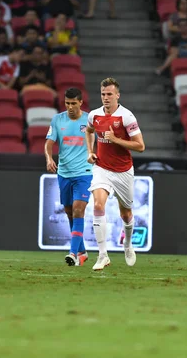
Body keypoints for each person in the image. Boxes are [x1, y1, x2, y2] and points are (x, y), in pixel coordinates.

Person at [85, 77, 146, 271]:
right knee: (97, 205)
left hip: (123, 171)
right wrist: (90, 151)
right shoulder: (94, 115)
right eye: (103, 94)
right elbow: (89, 131)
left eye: (109, 94)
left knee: (126, 213)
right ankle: (102, 255)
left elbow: (140, 146)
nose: (105, 98)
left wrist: (115, 139)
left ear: (117, 96)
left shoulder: (127, 117)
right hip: (102, 168)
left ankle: (127, 244)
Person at [45, 87, 93, 266]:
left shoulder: (90, 120)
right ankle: (82, 251)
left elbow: (101, 141)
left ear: (81, 102)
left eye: (74, 103)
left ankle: (73, 253)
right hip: (64, 173)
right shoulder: (58, 120)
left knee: (79, 209)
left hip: (84, 173)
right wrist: (49, 158)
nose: (70, 107)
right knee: (69, 212)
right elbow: (49, 143)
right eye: (67, 103)